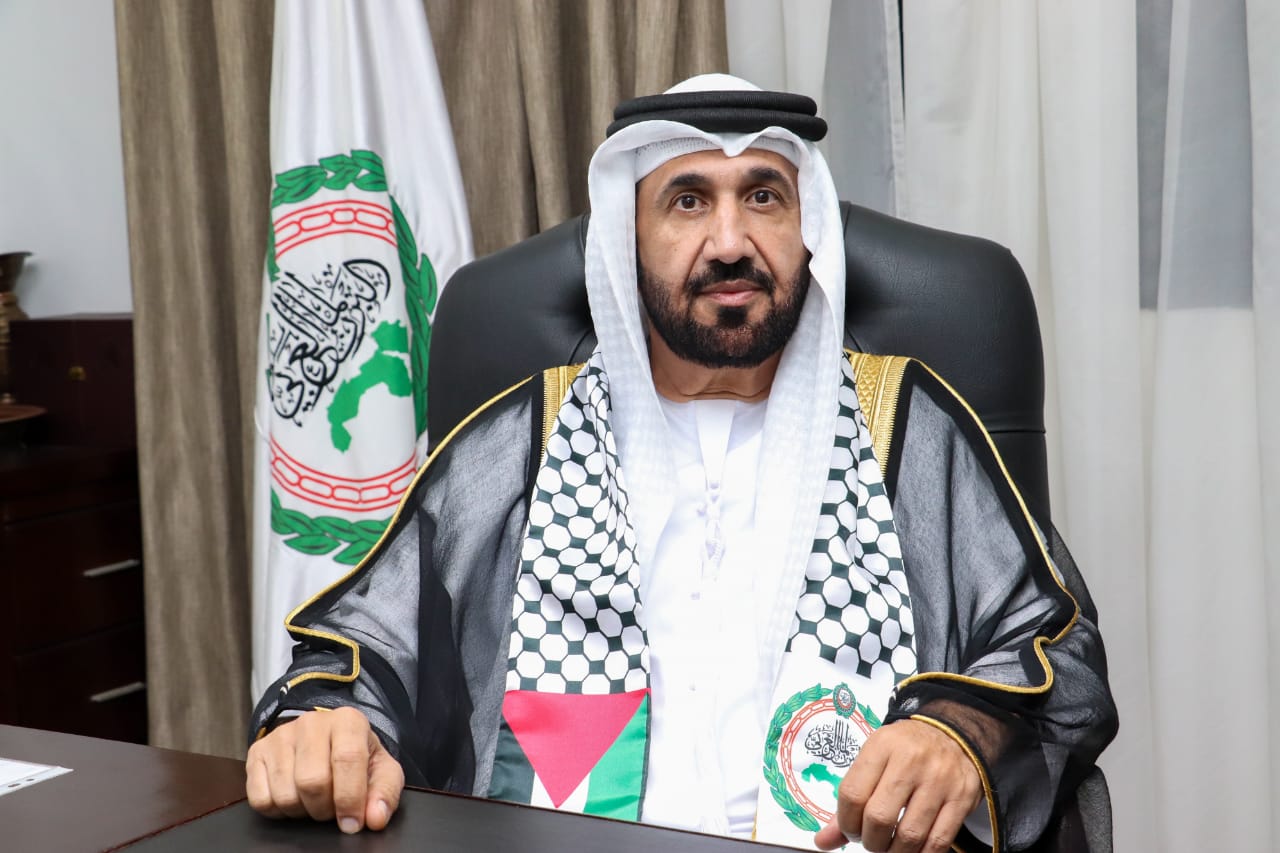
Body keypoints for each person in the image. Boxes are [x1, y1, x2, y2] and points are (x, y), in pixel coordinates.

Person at [246, 74, 1117, 853]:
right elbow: (367, 649)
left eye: (764, 196)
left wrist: (959, 732)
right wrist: (325, 724)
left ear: (808, 229)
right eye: (688, 201)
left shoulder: (904, 423)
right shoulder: (523, 441)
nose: (730, 240)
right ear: (628, 241)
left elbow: (1056, 647)